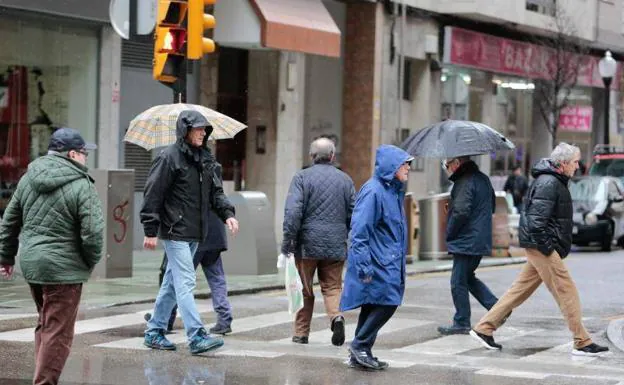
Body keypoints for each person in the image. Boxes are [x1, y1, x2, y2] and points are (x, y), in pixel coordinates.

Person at [470, 143, 609, 356]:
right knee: (566, 290)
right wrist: (548, 247)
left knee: (519, 290)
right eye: (574, 162)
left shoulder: (553, 180)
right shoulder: (549, 183)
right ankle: (582, 341)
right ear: (562, 164)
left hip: (539, 245)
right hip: (542, 246)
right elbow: (536, 222)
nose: (577, 166)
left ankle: (484, 328)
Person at [0, 127, 104, 385]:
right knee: (58, 332)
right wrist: (89, 261)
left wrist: (6, 258)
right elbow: (93, 232)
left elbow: (9, 222)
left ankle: (42, 376)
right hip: (63, 270)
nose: (85, 158)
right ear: (71, 154)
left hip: (33, 266)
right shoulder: (82, 184)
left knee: (46, 324)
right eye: (83, 153)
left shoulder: (27, 178)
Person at [140, 110, 239, 355]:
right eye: (198, 129)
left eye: (205, 129)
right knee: (185, 281)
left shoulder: (205, 159)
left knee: (172, 283)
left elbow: (216, 193)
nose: (203, 132)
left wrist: (228, 214)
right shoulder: (169, 158)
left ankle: (154, 331)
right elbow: (153, 194)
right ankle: (196, 335)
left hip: (196, 232)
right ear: (185, 130)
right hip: (175, 231)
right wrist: (150, 229)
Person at [340, 144, 413, 371]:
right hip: (378, 262)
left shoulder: (392, 191)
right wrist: (363, 266)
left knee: (373, 305)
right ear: (392, 167)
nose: (408, 168)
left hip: (387, 260)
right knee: (388, 302)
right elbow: (360, 232)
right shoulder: (373, 191)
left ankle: (362, 350)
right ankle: (360, 345)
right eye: (405, 164)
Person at [281, 137, 355, 346]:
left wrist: (287, 243)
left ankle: (301, 333)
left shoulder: (301, 178)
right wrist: (346, 236)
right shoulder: (345, 180)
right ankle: (336, 317)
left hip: (307, 245)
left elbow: (292, 213)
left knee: (305, 289)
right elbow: (353, 214)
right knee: (332, 287)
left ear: (311, 156)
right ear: (332, 156)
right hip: (335, 244)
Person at [156, 163, 234, 335]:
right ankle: (224, 317)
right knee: (216, 277)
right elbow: (218, 196)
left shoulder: (188, 169)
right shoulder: (215, 167)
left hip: (195, 233)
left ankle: (166, 319)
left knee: (179, 278)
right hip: (215, 234)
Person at [437, 156, 499, 336]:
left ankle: (462, 321)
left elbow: (461, 211)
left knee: (457, 282)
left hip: (467, 239)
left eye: (448, 165)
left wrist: (450, 231)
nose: (448, 169)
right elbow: (492, 206)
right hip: (479, 238)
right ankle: (498, 308)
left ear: (457, 163)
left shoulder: (464, 181)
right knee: (467, 277)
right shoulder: (483, 179)